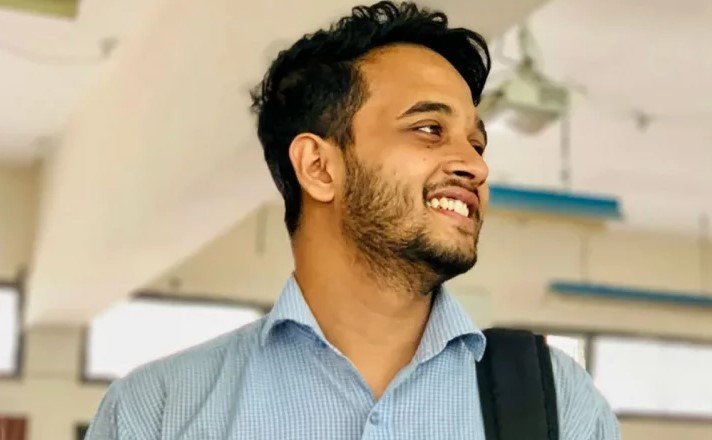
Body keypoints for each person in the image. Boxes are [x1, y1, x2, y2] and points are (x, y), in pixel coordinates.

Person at [85, 2, 619, 439]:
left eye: (477, 143)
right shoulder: (157, 413)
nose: (475, 166)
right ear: (319, 167)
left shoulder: (559, 407)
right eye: (429, 129)